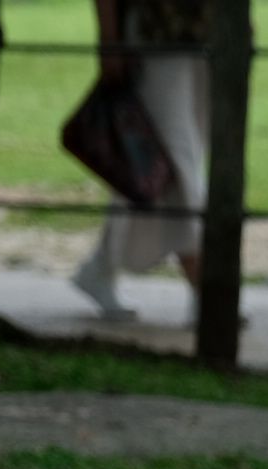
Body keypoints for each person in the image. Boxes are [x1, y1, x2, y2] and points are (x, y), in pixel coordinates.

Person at [71, 0, 212, 322]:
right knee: (175, 159)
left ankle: (99, 267)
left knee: (155, 166)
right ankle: (204, 288)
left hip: (205, 32)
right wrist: (109, 43)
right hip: (156, 33)